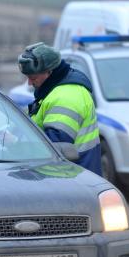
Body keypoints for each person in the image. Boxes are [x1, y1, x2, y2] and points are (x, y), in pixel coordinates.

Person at [17, 42, 102, 176]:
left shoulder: (66, 98)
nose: (29, 83)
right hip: (74, 176)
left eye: (33, 77)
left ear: (49, 72)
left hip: (69, 179)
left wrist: (15, 146)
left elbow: (55, 148)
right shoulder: (54, 90)